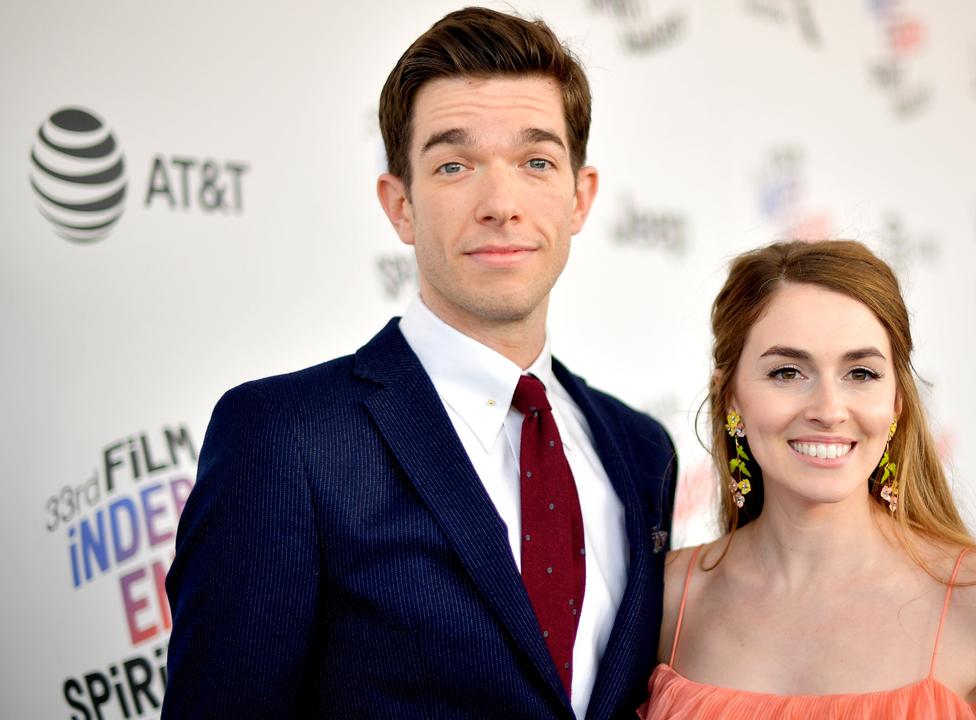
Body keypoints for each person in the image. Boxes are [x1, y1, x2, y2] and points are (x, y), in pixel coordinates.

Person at [163, 8, 677, 719]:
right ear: (400, 205)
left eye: (536, 162)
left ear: (579, 197)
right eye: (454, 165)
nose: (501, 204)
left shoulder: (642, 451)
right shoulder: (284, 439)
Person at [640, 240, 976, 719]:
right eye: (788, 371)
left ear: (897, 402)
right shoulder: (666, 597)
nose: (829, 409)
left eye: (861, 373)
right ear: (729, 394)